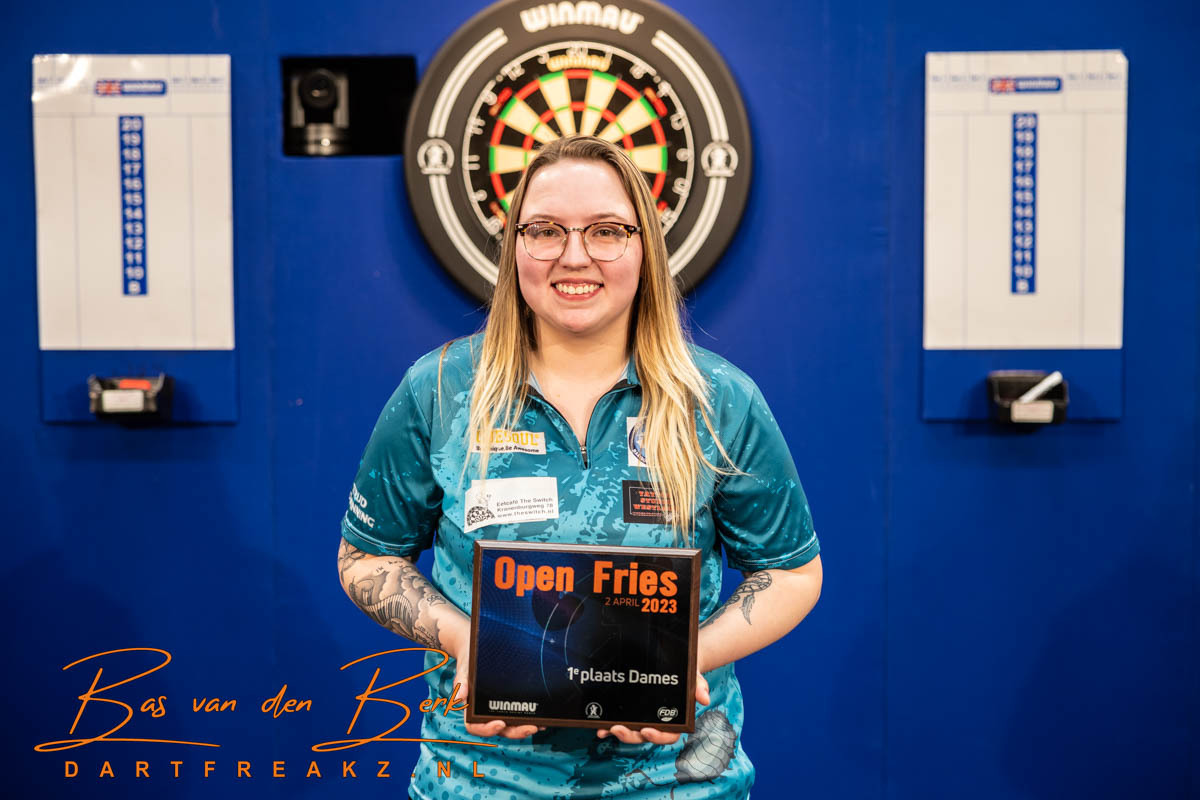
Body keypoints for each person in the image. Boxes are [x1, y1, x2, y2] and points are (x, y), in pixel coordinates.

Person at [337, 134, 822, 799]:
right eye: (544, 230)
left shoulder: (718, 401)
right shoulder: (440, 390)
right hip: (481, 783)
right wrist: (462, 640)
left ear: (644, 245)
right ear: (514, 246)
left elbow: (791, 571)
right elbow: (365, 559)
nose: (574, 256)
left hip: (674, 784)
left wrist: (685, 661)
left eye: (606, 231)